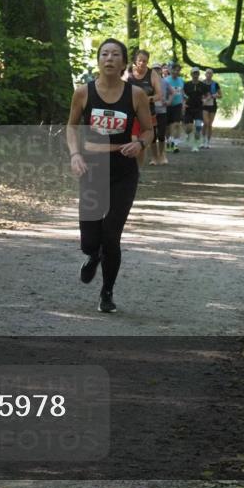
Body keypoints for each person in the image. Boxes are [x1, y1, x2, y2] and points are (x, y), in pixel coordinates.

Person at [67, 38, 153, 313]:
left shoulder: (136, 94)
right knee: (90, 239)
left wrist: (139, 143)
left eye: (116, 54)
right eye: (105, 54)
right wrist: (75, 154)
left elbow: (151, 131)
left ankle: (107, 292)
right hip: (92, 168)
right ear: (98, 60)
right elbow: (71, 127)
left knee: (112, 234)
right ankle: (93, 255)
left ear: (124, 63)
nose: (110, 58)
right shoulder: (83, 93)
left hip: (123, 170)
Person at [125, 50, 163, 169]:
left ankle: (138, 170)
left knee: (140, 144)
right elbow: (119, 88)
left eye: (145, 61)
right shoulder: (128, 72)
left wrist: (148, 99)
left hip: (147, 114)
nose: (142, 63)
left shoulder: (152, 74)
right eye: (140, 60)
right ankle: (129, 168)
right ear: (135, 61)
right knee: (132, 139)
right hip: (130, 113)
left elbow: (159, 95)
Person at [182, 67, 209, 152]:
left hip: (198, 108)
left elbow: (208, 95)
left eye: (197, 73)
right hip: (189, 108)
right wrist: (183, 103)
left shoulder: (202, 85)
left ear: (199, 74)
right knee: (188, 129)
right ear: (191, 74)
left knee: (198, 127)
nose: (195, 75)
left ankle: (195, 145)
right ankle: (188, 135)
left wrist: (205, 99)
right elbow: (182, 94)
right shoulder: (187, 84)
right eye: (194, 73)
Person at [150, 65, 170, 165]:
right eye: (154, 69)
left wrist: (168, 101)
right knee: (152, 136)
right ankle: (154, 157)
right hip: (151, 111)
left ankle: (162, 155)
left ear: (161, 70)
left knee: (161, 134)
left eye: (158, 69)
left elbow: (172, 92)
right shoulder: (149, 81)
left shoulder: (165, 82)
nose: (157, 71)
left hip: (162, 111)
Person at [166, 63, 185, 151]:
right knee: (168, 127)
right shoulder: (165, 80)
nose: (176, 72)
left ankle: (175, 144)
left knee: (176, 124)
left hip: (178, 104)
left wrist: (184, 103)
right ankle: (168, 142)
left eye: (178, 70)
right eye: (174, 70)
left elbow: (183, 93)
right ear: (170, 70)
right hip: (168, 105)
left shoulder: (181, 80)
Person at [202, 69, 222, 149]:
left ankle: (207, 142)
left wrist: (214, 96)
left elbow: (220, 95)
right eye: (207, 73)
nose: (209, 75)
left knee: (210, 124)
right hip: (204, 105)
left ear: (212, 75)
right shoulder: (202, 83)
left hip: (213, 105)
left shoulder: (215, 84)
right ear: (205, 74)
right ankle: (203, 140)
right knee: (206, 123)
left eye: (210, 73)